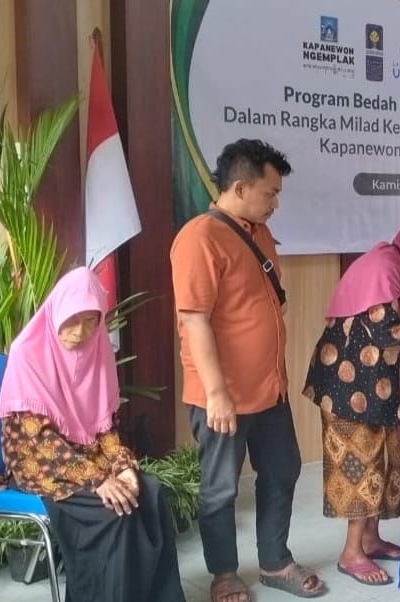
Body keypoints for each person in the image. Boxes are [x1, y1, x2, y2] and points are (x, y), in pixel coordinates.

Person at [171, 139, 325, 601]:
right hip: (223, 395)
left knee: (283, 470)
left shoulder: (258, 233)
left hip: (269, 389)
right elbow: (194, 320)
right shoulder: (199, 238)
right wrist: (216, 393)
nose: (275, 203)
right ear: (240, 187)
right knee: (220, 489)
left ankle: (275, 563)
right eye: (270, 193)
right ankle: (224, 574)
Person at [0, 267, 184, 602]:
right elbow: (40, 440)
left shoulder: (98, 351)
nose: (81, 332)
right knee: (115, 512)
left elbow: (105, 427)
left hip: (88, 457)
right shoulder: (28, 352)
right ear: (57, 312)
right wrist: (97, 479)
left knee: (151, 495)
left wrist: (124, 466)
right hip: (39, 464)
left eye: (90, 321)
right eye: (72, 320)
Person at [303, 204, 400, 586]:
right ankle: (351, 553)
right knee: (361, 466)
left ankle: (370, 540)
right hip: (347, 387)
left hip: (374, 385)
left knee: (384, 461)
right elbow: (389, 333)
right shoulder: (383, 268)